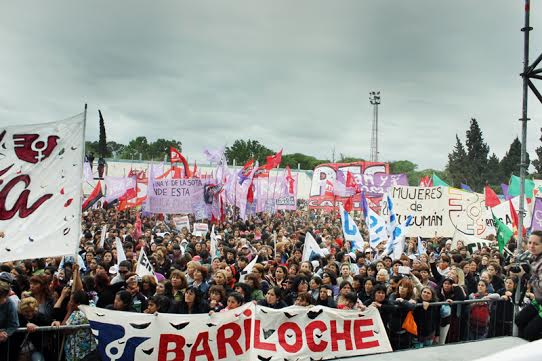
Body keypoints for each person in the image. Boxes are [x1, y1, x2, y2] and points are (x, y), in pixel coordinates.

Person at [515, 230, 542, 341]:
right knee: (520, 320)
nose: (531, 246)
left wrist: (525, 276)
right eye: (530, 242)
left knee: (530, 332)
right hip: (539, 301)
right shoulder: (534, 257)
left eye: (536, 244)